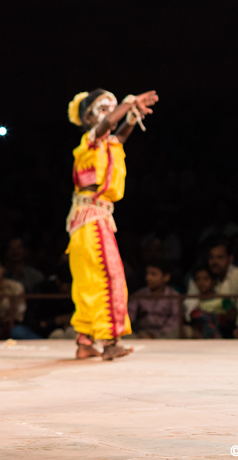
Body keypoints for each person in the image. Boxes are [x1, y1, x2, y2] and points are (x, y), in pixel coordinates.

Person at [66, 89, 157, 360]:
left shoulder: (105, 145)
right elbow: (107, 127)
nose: (109, 113)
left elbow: (118, 136)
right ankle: (109, 340)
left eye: (112, 107)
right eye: (103, 108)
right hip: (92, 218)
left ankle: (85, 342)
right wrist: (128, 105)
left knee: (89, 281)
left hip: (88, 218)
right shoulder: (89, 140)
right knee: (109, 276)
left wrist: (131, 117)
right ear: (88, 117)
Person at [184, 236, 238, 338]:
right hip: (202, 325)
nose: (215, 262)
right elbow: (190, 302)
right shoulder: (200, 275)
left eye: (220, 257)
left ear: (230, 258)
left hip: (233, 326)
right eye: (211, 257)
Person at [128, 260, 181, 339]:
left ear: (166, 277)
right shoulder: (139, 295)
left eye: (153, 274)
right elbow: (129, 317)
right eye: (147, 274)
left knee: (182, 331)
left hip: (165, 334)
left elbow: (175, 321)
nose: (148, 277)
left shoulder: (174, 296)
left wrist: (155, 335)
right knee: (124, 335)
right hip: (142, 333)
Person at [187, 266, 236, 339]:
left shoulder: (222, 299)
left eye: (206, 279)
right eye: (198, 279)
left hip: (220, 336)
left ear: (214, 281)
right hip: (199, 338)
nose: (201, 283)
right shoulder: (191, 301)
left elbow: (231, 317)